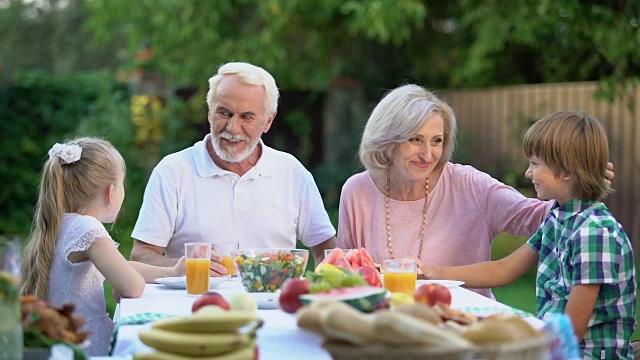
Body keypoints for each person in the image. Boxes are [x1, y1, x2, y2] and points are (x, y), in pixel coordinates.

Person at [337, 84, 614, 298]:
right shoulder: (357, 192)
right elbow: (344, 275)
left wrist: (579, 186)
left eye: (437, 141)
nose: (427, 153)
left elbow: (537, 217)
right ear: (388, 139)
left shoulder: (469, 184)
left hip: (468, 327)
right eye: (414, 139)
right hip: (388, 328)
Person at [422, 110, 636, 359]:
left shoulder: (594, 234)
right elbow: (502, 270)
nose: (528, 172)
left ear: (565, 170)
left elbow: (571, 332)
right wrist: (433, 273)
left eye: (535, 164)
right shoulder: (557, 218)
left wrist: (507, 337)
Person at [130, 62, 336, 273]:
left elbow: (327, 250)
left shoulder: (292, 172)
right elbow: (141, 254)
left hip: (272, 304)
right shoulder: (173, 171)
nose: (232, 128)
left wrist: (322, 290)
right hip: (194, 303)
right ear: (210, 112)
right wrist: (183, 267)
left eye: (246, 117)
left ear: (268, 121)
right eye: (224, 113)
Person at [21, 138, 186, 356]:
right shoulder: (87, 228)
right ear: (110, 192)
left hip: (64, 344)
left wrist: (171, 272)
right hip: (88, 346)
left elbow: (120, 267)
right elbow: (132, 285)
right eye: (122, 184)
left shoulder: (62, 223)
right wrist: (123, 285)